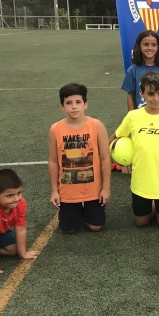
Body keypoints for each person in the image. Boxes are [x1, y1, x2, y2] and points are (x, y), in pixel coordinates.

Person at [114, 71, 159, 227]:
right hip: (141, 182)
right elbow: (116, 137)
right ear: (142, 94)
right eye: (151, 94)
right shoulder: (133, 116)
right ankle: (153, 205)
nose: (156, 98)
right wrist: (111, 153)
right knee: (141, 222)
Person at [48, 83, 111, 233]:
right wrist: (54, 191)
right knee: (68, 229)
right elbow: (53, 161)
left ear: (85, 104)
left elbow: (105, 159)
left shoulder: (97, 126)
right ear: (62, 107)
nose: (74, 107)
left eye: (78, 102)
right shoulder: (55, 129)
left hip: (93, 189)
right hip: (68, 190)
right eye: (68, 103)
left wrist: (106, 188)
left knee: (96, 227)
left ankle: (87, 208)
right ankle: (77, 210)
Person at [121, 30, 159, 111]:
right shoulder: (132, 70)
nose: (150, 48)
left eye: (153, 45)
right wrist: (131, 116)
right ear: (139, 46)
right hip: (142, 116)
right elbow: (130, 95)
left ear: (158, 47)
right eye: (146, 45)